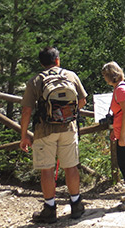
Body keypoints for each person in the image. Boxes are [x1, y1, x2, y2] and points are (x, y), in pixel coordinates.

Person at [20, 47, 88, 223]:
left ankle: (49, 210)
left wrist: (24, 135)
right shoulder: (71, 76)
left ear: (41, 63)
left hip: (44, 131)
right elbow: (82, 101)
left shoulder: (36, 81)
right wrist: (65, 114)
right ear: (57, 60)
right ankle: (76, 205)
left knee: (47, 170)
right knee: (71, 167)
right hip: (68, 128)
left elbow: (27, 111)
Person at [101, 61, 125, 211]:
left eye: (105, 75)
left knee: (124, 164)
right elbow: (120, 114)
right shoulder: (123, 87)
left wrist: (122, 136)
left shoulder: (120, 90)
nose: (104, 78)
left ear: (111, 75)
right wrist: (115, 131)